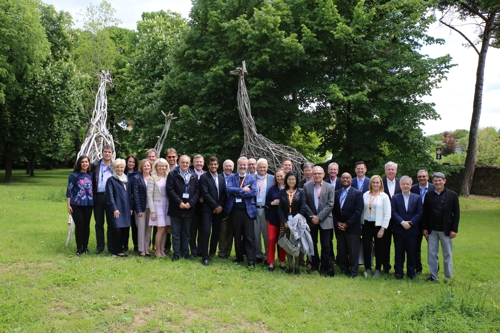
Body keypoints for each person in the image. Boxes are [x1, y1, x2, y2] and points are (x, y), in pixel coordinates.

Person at [423, 172, 460, 282]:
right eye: (435, 180)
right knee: (432, 254)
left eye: (440, 180)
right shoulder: (429, 195)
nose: (438, 182)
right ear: (432, 182)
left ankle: (448, 276)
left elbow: (456, 214)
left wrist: (454, 229)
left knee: (447, 254)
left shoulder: (452, 195)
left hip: (446, 230)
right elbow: (425, 213)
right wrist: (425, 228)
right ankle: (433, 276)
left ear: (444, 181)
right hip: (432, 230)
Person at [225, 156, 258, 267]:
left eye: (245, 165)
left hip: (248, 211)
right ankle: (239, 257)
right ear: (237, 165)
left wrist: (237, 193)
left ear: (247, 166)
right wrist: (242, 190)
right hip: (235, 211)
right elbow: (228, 189)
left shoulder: (252, 178)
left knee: (249, 236)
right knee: (237, 235)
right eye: (241, 164)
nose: (243, 166)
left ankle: (251, 260)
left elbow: (253, 192)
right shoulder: (232, 177)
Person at [303, 166, 335, 276]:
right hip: (311, 220)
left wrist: (319, 217)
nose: (317, 175)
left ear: (323, 175)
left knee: (326, 245)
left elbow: (330, 204)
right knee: (313, 244)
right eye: (315, 173)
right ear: (312, 174)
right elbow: (305, 203)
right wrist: (313, 217)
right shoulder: (306, 186)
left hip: (326, 220)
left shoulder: (330, 187)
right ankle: (315, 265)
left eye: (319, 174)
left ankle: (324, 268)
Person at [167, 155, 199, 261]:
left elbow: (197, 192)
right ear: (179, 162)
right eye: (183, 162)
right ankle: (176, 253)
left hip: (189, 209)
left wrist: (191, 203)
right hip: (176, 208)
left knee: (186, 233)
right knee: (176, 233)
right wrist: (179, 202)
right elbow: (170, 190)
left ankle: (185, 253)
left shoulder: (193, 175)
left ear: (189, 163)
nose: (185, 164)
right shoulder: (172, 174)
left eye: (187, 163)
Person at [391, 176, 423, 279]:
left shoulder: (417, 197)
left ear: (411, 185)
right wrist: (402, 222)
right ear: (400, 185)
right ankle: (399, 272)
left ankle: (411, 273)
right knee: (399, 252)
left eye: (407, 184)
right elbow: (393, 212)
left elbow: (419, 212)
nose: (405, 186)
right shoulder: (395, 197)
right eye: (403, 184)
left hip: (412, 230)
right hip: (399, 229)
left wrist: (411, 223)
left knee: (412, 252)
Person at [278, 171, 309, 274]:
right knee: (288, 243)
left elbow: (303, 207)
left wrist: (295, 221)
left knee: (296, 244)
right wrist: (284, 221)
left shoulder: (301, 191)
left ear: (296, 180)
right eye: (289, 179)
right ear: (286, 180)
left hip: (297, 223)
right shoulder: (282, 192)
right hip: (286, 222)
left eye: (293, 179)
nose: (291, 181)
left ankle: (297, 267)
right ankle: (290, 266)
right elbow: (280, 209)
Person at [333, 172, 364, 278]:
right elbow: (334, 210)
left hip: (352, 227)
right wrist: (337, 223)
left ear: (351, 180)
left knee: (353, 250)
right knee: (341, 249)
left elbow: (358, 211)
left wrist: (347, 224)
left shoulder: (357, 193)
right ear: (340, 180)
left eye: (348, 178)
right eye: (343, 178)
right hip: (339, 227)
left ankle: (353, 271)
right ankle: (343, 268)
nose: (345, 179)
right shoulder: (336, 193)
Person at [199, 156, 227, 266]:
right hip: (207, 209)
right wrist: (215, 206)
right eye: (211, 164)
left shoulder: (221, 178)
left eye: (215, 164)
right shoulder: (204, 177)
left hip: (219, 210)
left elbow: (224, 194)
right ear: (208, 165)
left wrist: (220, 207)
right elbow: (205, 194)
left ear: (218, 165)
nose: (213, 166)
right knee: (206, 232)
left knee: (216, 232)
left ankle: (211, 253)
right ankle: (204, 256)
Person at [361, 175, 391, 278]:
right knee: (366, 247)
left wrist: (383, 228)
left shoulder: (384, 196)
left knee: (379, 248)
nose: (375, 184)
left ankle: (378, 269)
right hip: (366, 224)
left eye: (377, 183)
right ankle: (368, 269)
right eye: (373, 182)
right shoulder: (365, 195)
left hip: (378, 225)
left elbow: (388, 213)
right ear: (370, 184)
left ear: (380, 184)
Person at [66, 155, 94, 256]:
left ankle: (85, 247)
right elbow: (69, 191)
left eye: (86, 162)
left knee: (86, 226)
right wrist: (68, 205)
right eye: (82, 162)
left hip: (88, 204)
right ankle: (79, 248)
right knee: (80, 225)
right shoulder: (74, 176)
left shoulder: (91, 175)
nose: (84, 164)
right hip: (76, 204)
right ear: (79, 163)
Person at [105, 158, 132, 257]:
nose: (120, 169)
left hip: (126, 208)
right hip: (115, 209)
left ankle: (120, 250)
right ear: (114, 168)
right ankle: (114, 251)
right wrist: (114, 209)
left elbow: (129, 194)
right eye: (117, 167)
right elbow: (109, 196)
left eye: (121, 167)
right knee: (116, 230)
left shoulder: (126, 179)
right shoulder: (111, 180)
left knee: (124, 230)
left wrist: (131, 207)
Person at [411, 169, 435, 275]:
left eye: (424, 176)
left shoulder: (434, 188)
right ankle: (418, 268)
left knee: (432, 247)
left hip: (430, 222)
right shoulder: (413, 188)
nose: (422, 178)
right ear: (417, 178)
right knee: (416, 247)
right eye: (420, 177)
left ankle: (434, 270)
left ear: (428, 177)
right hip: (416, 222)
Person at [91, 145, 114, 254]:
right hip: (98, 196)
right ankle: (100, 247)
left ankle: (110, 247)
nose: (107, 154)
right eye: (105, 152)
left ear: (112, 154)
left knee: (111, 223)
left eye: (109, 152)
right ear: (102, 153)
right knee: (99, 223)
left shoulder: (115, 166)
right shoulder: (95, 165)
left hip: (110, 197)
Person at [148, 158, 170, 257]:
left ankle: (162, 250)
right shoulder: (152, 178)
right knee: (160, 229)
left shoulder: (169, 177)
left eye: (164, 165)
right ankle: (157, 251)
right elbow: (149, 196)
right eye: (159, 166)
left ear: (166, 167)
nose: (162, 167)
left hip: (167, 205)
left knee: (165, 229)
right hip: (157, 205)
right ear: (156, 167)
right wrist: (152, 211)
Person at [381, 161, 401, 273]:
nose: (391, 171)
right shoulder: (381, 183)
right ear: (385, 171)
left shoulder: (401, 182)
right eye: (389, 169)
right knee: (385, 244)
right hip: (384, 220)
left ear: (396, 171)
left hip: (398, 220)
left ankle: (398, 268)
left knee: (399, 245)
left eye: (393, 169)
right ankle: (386, 266)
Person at [265, 168, 286, 271]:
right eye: (278, 176)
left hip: (284, 219)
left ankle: (282, 262)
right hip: (272, 217)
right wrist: (273, 203)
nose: (280, 178)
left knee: (282, 240)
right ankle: (271, 263)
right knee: (271, 239)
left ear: (285, 176)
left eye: (281, 176)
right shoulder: (272, 189)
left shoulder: (289, 188)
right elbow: (267, 202)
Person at [254, 158, 274, 264]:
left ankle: (267, 256)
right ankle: (258, 255)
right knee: (255, 233)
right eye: (260, 166)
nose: (262, 168)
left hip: (267, 209)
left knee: (267, 235)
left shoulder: (272, 178)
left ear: (267, 167)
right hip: (254, 209)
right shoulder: (251, 178)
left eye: (264, 167)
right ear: (257, 167)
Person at [132, 159, 152, 257]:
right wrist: (138, 209)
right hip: (141, 208)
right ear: (141, 167)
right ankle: (141, 250)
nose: (146, 167)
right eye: (144, 166)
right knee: (141, 228)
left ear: (151, 167)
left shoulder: (153, 178)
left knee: (148, 229)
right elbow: (135, 195)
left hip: (151, 208)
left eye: (148, 166)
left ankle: (146, 249)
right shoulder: (137, 178)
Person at [218, 159, 235, 259]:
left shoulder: (236, 178)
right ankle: (221, 252)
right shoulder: (218, 177)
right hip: (222, 209)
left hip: (233, 208)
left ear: (233, 168)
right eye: (226, 166)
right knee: (222, 231)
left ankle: (228, 252)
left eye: (230, 166)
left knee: (230, 232)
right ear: (223, 167)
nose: (228, 168)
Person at [190, 154, 205, 257]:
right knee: (192, 230)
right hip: (193, 206)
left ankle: (201, 250)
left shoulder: (207, 174)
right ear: (193, 163)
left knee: (202, 230)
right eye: (197, 162)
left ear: (203, 163)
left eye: (200, 162)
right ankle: (193, 250)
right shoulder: (190, 174)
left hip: (204, 207)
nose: (199, 164)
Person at [125, 154, 139, 252]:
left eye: (133, 162)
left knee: (135, 226)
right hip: (124, 203)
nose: (131, 163)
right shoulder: (122, 173)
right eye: (129, 161)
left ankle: (136, 245)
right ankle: (124, 245)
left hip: (135, 203)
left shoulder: (138, 174)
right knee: (125, 225)